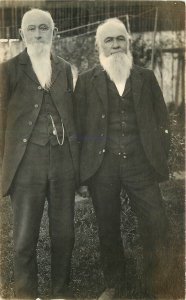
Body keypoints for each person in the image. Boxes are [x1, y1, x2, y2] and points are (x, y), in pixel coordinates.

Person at [74, 18, 170, 299]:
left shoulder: (146, 77)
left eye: (120, 39)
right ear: (98, 46)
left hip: (140, 165)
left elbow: (161, 120)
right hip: (102, 167)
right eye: (109, 40)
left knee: (156, 221)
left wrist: (158, 158)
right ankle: (115, 282)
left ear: (128, 42)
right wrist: (82, 175)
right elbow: (80, 130)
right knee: (107, 224)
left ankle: (159, 281)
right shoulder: (88, 81)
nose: (115, 45)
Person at [0, 8, 78, 299]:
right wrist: (6, 164)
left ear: (54, 33)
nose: (37, 34)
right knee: (23, 240)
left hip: (62, 166)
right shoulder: (7, 71)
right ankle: (24, 294)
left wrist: (75, 165)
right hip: (25, 166)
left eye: (43, 28)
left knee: (65, 235)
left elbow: (74, 119)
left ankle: (60, 292)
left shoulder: (66, 70)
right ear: (21, 34)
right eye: (31, 29)